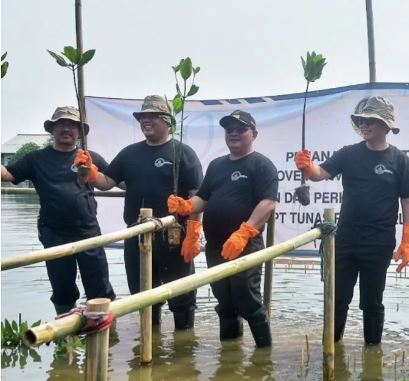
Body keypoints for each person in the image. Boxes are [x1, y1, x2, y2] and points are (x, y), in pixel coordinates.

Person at [294, 96, 409, 345]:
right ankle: (332, 348)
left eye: (371, 120)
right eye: (362, 120)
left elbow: (408, 201)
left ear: (385, 125)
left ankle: (373, 356)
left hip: (379, 242)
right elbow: (320, 174)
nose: (365, 125)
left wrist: (407, 240)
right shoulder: (348, 154)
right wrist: (307, 167)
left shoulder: (399, 160)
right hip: (346, 239)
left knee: (372, 302)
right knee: (338, 299)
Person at [76, 95, 203, 330]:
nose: (146, 121)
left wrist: (194, 231)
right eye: (143, 117)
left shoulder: (183, 152)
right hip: (136, 234)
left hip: (174, 236)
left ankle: (183, 350)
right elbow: (106, 182)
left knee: (182, 298)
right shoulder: (129, 153)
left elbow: (198, 195)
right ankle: (149, 345)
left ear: (167, 121)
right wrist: (90, 172)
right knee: (143, 297)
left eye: (152, 116)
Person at [167, 110, 277, 346]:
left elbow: (268, 203)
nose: (234, 134)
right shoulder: (217, 165)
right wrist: (187, 206)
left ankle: (264, 356)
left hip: (245, 245)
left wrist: (245, 231)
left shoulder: (262, 164)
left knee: (247, 299)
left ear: (254, 134)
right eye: (229, 130)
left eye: (241, 129)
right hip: (216, 246)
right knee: (224, 302)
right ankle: (229, 357)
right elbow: (203, 199)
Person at [1, 106, 115, 315]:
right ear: (52, 130)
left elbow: (111, 181)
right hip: (53, 232)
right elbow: (7, 175)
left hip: (87, 231)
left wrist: (92, 172)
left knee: (99, 286)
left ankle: (106, 336)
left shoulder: (90, 157)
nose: (67, 129)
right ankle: (66, 339)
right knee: (62, 288)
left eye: (72, 125)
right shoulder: (36, 159)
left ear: (79, 132)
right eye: (61, 124)